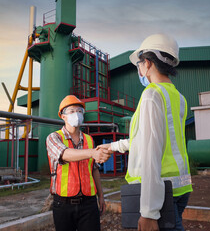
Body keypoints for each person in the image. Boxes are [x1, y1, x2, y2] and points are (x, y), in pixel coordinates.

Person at [97, 34, 193, 231]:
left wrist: (149, 213)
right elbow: (144, 140)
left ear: (148, 63)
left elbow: (151, 152)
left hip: (160, 192)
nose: (139, 69)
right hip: (181, 187)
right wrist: (113, 146)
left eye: (139, 64)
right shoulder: (179, 98)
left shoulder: (151, 94)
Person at [46, 95, 112, 231]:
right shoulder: (54, 138)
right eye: (71, 111)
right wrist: (92, 152)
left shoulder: (89, 140)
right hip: (63, 204)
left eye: (80, 111)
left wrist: (101, 196)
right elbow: (65, 154)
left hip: (89, 203)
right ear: (63, 116)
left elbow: (94, 169)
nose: (76, 114)